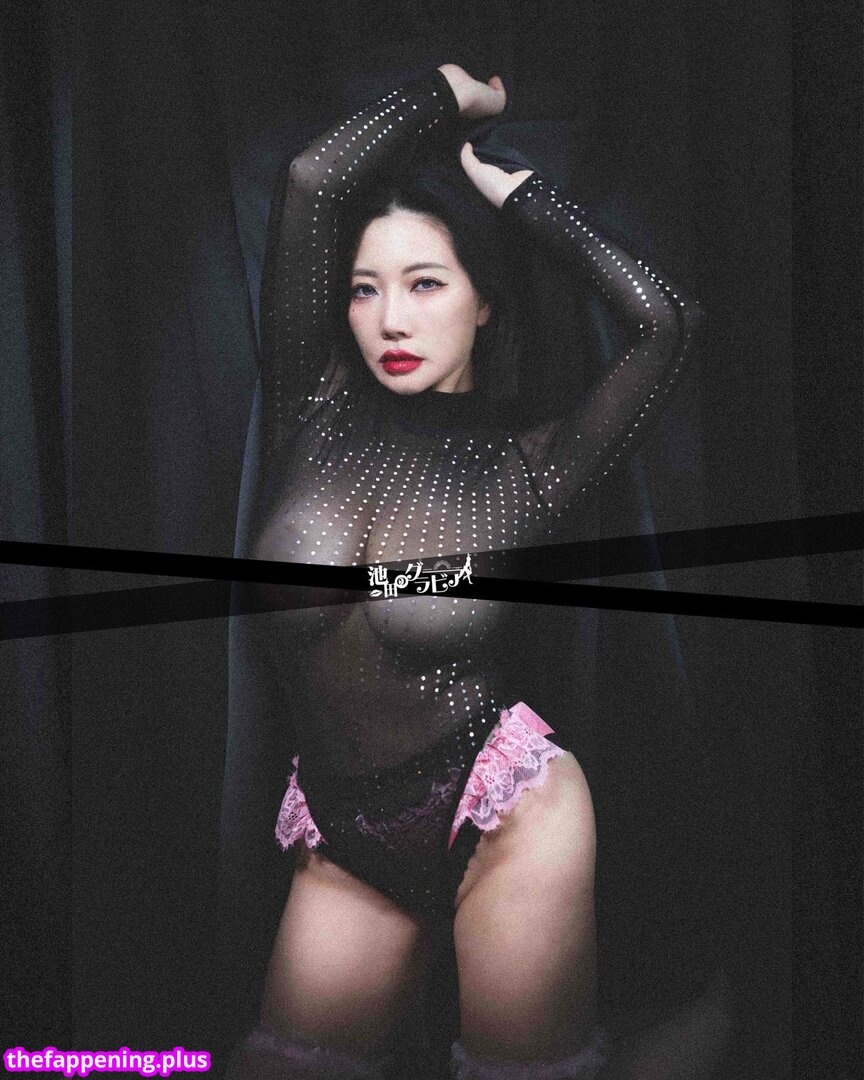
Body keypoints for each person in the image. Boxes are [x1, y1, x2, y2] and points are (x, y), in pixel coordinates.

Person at [226, 62, 702, 1080]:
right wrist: (452, 94)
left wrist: (520, 196)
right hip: (343, 831)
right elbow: (313, 179)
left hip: (507, 811)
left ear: (484, 301)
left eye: (425, 283)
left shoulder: (535, 466)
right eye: (364, 289)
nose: (390, 321)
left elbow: (665, 323)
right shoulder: (315, 405)